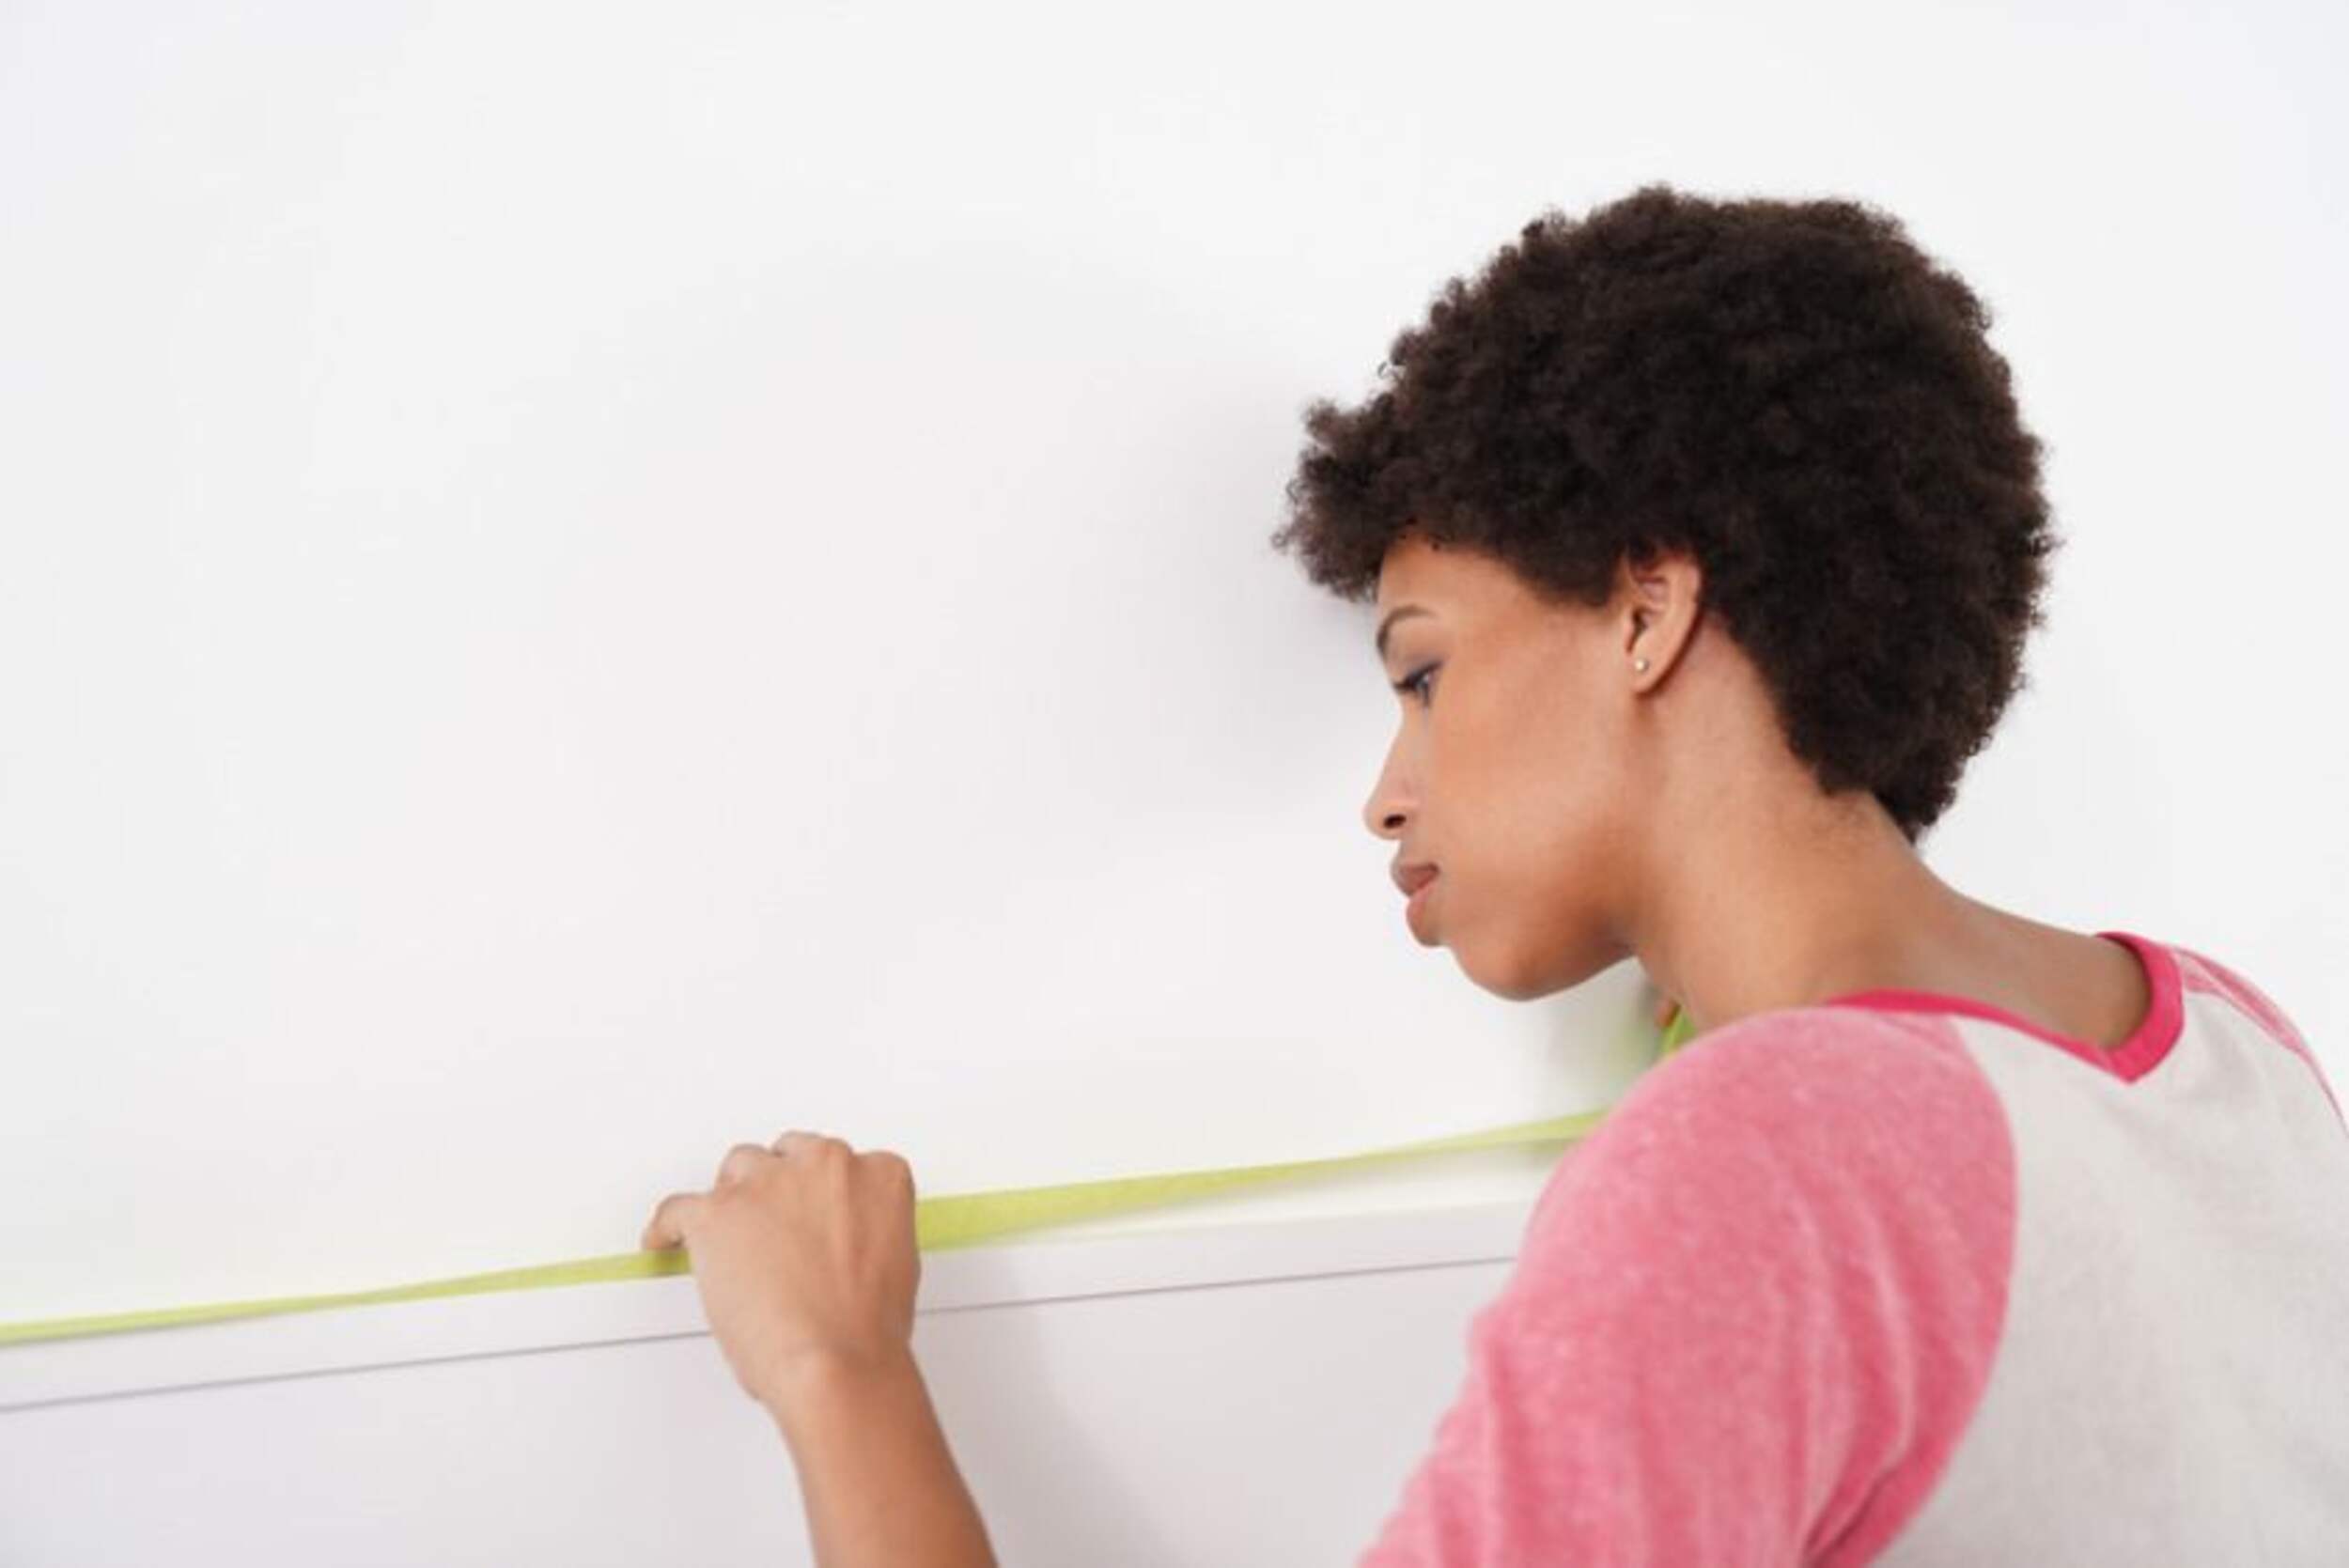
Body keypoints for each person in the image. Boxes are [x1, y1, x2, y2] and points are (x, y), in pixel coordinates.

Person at [639, 184, 2349, 1564]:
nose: (1387, 798)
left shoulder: (1767, 1153)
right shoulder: (2235, 1049)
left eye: (1425, 670)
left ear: (1647, 610)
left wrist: (840, 1372)